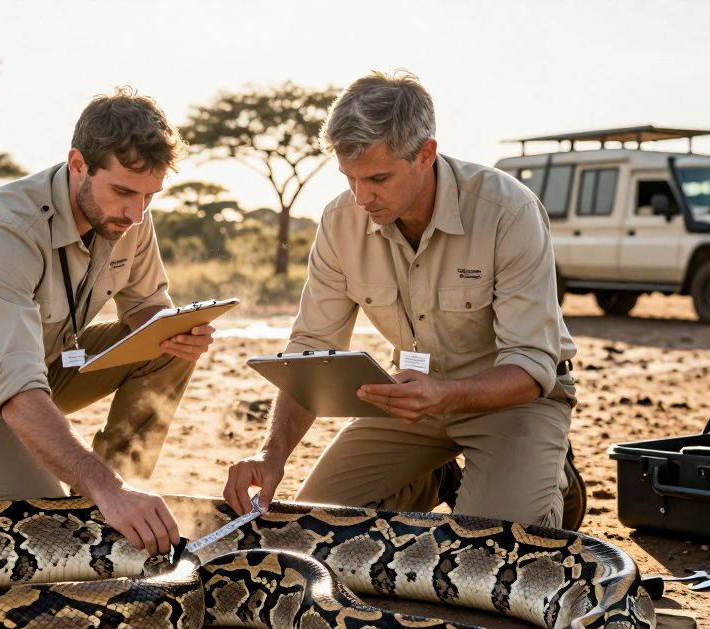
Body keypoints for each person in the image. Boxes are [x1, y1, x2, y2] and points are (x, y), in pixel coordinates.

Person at [223, 71, 585, 529]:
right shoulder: (340, 221)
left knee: (494, 542)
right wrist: (270, 455)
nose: (361, 197)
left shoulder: (508, 211)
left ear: (425, 154)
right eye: (349, 178)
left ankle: (553, 476)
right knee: (314, 526)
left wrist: (445, 396)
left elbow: (533, 365)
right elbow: (311, 351)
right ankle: (432, 477)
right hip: (409, 401)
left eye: (377, 178)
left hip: (513, 402)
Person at [0, 88, 216, 556]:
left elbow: (147, 307)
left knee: (165, 344)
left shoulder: (131, 217)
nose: (136, 212)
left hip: (49, 365)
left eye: (149, 196)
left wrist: (177, 329)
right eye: (123, 191)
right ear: (77, 164)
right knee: (41, 526)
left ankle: (109, 506)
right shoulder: (5, 229)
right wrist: (104, 487)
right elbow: (16, 384)